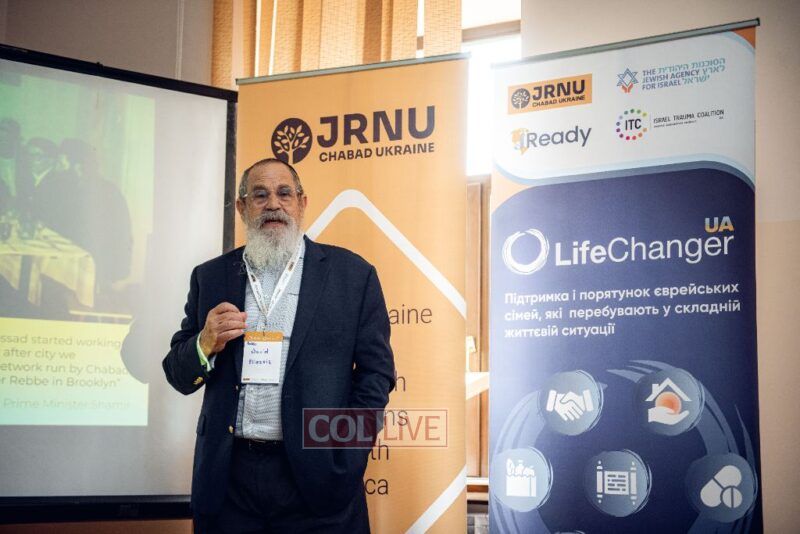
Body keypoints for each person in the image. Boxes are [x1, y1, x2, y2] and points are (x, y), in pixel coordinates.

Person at [163, 158, 395, 533]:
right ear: (242, 208)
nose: (273, 204)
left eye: (284, 193)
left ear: (302, 203)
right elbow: (177, 373)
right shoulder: (211, 276)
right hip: (229, 482)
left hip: (317, 482)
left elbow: (376, 374)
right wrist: (204, 344)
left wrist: (347, 456)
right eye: (260, 195)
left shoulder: (353, 275)